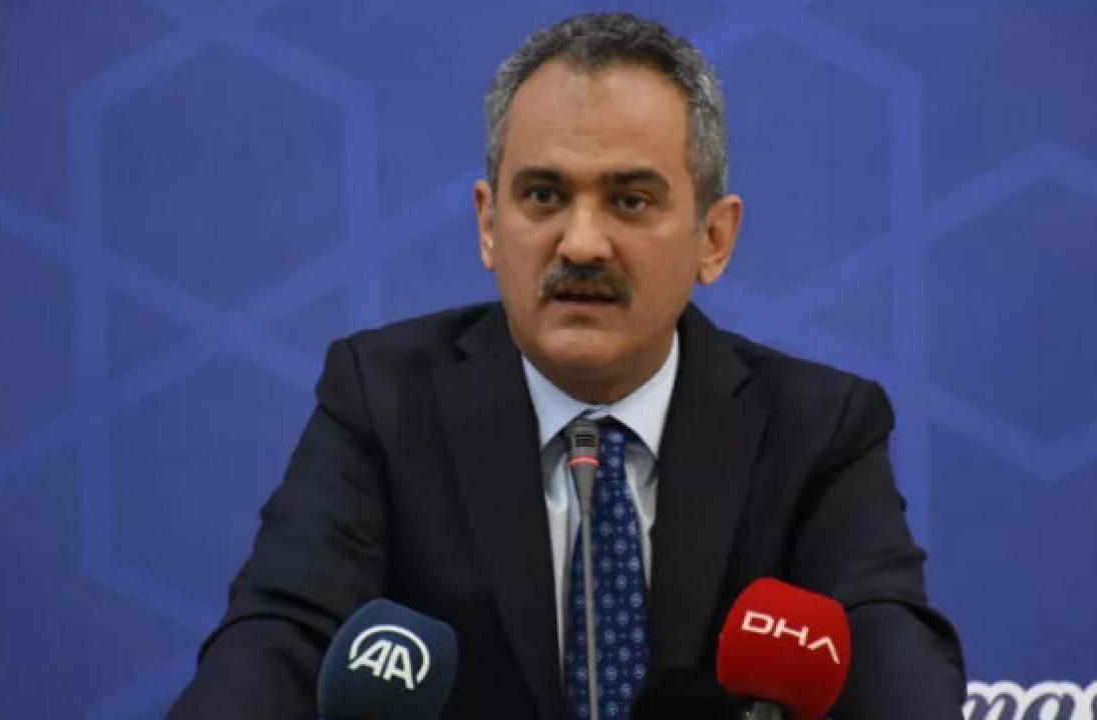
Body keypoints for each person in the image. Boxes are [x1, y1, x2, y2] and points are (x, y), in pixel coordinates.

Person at [170, 12, 965, 719]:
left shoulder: (817, 430)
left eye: (630, 201)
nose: (582, 243)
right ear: (489, 225)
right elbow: (278, 638)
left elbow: (890, 655)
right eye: (544, 196)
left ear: (714, 239)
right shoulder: (382, 400)